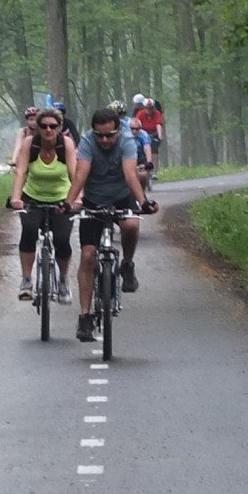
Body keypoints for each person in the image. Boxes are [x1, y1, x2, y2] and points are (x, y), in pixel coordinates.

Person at [66, 104, 156, 342]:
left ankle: (127, 264)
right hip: (94, 200)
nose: (105, 140)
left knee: (131, 225)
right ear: (93, 132)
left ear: (118, 130)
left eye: (110, 135)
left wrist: (143, 202)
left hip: (121, 196)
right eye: (100, 135)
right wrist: (69, 202)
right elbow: (81, 175)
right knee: (87, 257)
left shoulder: (127, 141)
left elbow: (130, 174)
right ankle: (85, 316)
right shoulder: (87, 142)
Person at [8, 108, 75, 301]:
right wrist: (16, 198)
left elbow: (74, 173)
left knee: (62, 239)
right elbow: (21, 172)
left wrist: (77, 199)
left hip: (61, 198)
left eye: (53, 126)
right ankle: (26, 280)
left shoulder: (66, 144)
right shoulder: (30, 144)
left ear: (59, 127)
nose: (48, 130)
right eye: (43, 126)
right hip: (33, 197)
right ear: (37, 127)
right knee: (29, 232)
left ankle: (63, 280)